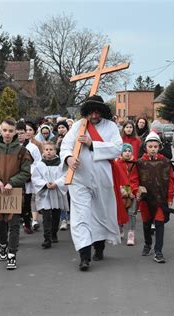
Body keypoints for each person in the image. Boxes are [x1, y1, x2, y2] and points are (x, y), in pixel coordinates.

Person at [60, 95, 123, 271]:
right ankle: (84, 256)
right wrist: (69, 158)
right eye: (92, 112)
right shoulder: (79, 126)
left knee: (100, 214)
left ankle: (100, 247)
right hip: (79, 180)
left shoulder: (110, 127)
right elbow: (65, 146)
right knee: (81, 217)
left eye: (98, 112)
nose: (94, 116)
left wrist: (92, 144)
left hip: (102, 180)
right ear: (87, 112)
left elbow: (118, 148)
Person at [0, 118, 32, 270]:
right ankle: (2, 244)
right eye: (5, 130)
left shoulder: (23, 152)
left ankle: (12, 254)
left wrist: (12, 182)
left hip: (15, 192)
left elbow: (26, 173)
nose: (7, 133)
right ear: (0, 131)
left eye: (11, 130)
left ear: (15, 131)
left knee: (14, 224)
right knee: (0, 223)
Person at [137, 131, 174, 263]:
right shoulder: (140, 163)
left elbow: (170, 180)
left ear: (159, 147)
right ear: (145, 147)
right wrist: (137, 190)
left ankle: (158, 251)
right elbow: (134, 180)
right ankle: (148, 244)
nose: (153, 149)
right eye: (150, 146)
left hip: (161, 199)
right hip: (146, 199)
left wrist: (170, 197)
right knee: (147, 223)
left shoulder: (165, 162)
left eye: (155, 146)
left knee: (159, 223)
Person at [32, 142, 69, 249]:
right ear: (43, 151)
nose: (49, 152)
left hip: (57, 192)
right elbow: (35, 178)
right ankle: (47, 238)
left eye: (51, 149)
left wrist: (57, 183)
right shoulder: (39, 164)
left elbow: (65, 176)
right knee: (46, 216)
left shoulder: (61, 163)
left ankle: (54, 233)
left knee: (56, 215)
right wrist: (45, 184)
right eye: (46, 149)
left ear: (55, 151)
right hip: (45, 194)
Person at [16, 122, 42, 234]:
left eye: (21, 133)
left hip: (28, 179)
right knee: (16, 204)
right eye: (17, 134)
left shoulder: (32, 147)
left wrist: (30, 174)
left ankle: (27, 223)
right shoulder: (12, 147)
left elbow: (38, 163)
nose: (19, 136)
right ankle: (15, 227)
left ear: (26, 133)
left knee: (26, 203)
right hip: (15, 180)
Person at [113, 143, 139, 246]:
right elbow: (115, 177)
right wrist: (120, 189)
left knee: (132, 213)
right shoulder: (117, 163)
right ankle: (120, 228)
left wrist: (133, 190)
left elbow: (136, 178)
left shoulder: (135, 164)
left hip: (132, 191)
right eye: (125, 151)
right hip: (121, 190)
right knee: (120, 211)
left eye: (129, 151)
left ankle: (131, 233)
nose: (127, 153)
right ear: (121, 152)